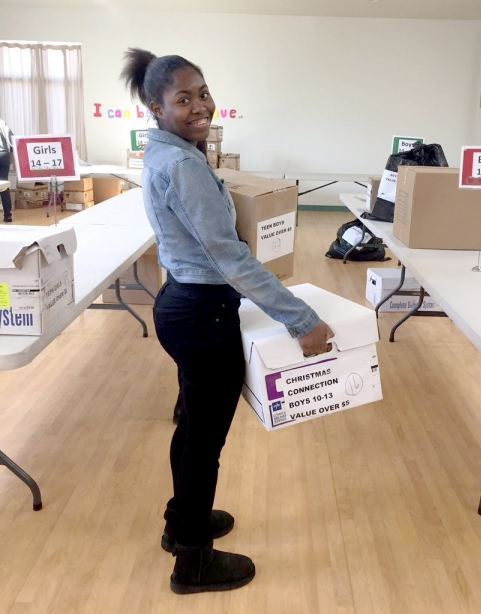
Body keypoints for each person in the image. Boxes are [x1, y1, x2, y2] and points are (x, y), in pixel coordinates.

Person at [120, 48, 333, 595]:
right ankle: (192, 561)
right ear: (155, 108)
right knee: (204, 443)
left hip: (182, 305)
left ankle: (179, 522)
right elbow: (230, 258)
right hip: (202, 314)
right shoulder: (185, 165)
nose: (199, 107)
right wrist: (300, 318)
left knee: (191, 425)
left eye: (203, 93)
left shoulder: (166, 153)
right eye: (183, 99)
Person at [0, 118, 13, 222]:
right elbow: (12, 138)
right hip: (4, 155)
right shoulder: (3, 122)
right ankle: (7, 215)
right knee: (4, 185)